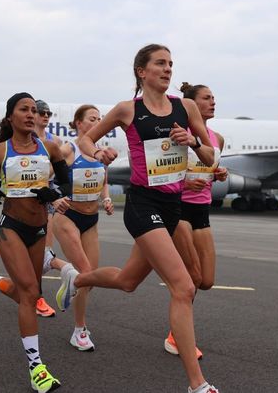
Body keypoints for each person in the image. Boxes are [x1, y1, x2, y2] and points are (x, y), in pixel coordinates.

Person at [55, 44, 219, 393]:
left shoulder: (185, 107)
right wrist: (98, 151)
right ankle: (197, 384)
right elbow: (85, 139)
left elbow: (209, 158)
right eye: (160, 63)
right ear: (141, 71)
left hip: (174, 207)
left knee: (128, 281)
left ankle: (78, 280)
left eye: (171, 64)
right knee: (184, 287)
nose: (167, 69)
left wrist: (191, 141)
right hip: (143, 205)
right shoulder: (128, 110)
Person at [0, 92, 72, 392]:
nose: (30, 114)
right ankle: (36, 367)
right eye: (23, 110)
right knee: (29, 293)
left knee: (28, 292)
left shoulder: (50, 148)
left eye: (33, 110)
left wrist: (50, 194)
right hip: (10, 227)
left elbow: (67, 184)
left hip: (39, 228)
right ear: (10, 117)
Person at [164, 83, 229, 357]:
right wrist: (181, 185)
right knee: (190, 278)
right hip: (179, 209)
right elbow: (162, 173)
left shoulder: (217, 138)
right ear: (191, 104)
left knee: (207, 280)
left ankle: (177, 332)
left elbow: (209, 168)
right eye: (206, 98)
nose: (212, 102)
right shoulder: (178, 133)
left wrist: (219, 174)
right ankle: (177, 338)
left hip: (202, 211)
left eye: (214, 98)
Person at [52, 104, 113, 351]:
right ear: (78, 122)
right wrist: (54, 196)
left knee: (90, 279)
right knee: (85, 270)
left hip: (92, 218)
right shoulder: (68, 149)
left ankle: (78, 329)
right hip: (68, 215)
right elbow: (46, 175)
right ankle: (81, 329)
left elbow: (104, 179)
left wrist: (106, 198)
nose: (97, 122)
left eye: (100, 119)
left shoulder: (99, 152)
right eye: (92, 119)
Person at [32, 99, 64, 318]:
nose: (45, 116)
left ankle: (38, 297)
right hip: (22, 199)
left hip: (47, 199)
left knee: (44, 253)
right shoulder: (23, 139)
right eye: (41, 112)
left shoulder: (55, 141)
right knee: (29, 253)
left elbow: (57, 171)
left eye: (48, 113)